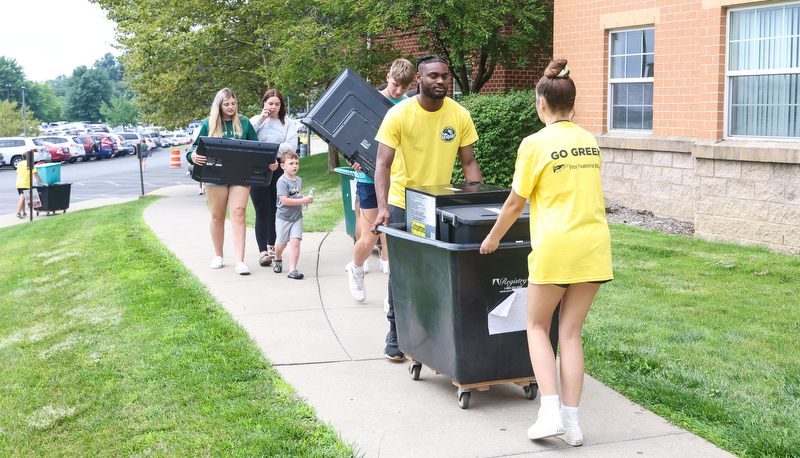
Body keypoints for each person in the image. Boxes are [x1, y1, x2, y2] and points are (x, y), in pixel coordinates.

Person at [478, 59, 613, 446]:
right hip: (594, 246)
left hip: (556, 247)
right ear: (574, 104)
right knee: (570, 334)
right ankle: (572, 425)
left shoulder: (534, 144)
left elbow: (513, 203)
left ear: (540, 103)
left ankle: (549, 413)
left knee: (537, 327)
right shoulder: (589, 139)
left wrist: (492, 239)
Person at [371, 54, 484, 360]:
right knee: (403, 271)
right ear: (418, 79)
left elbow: (469, 162)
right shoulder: (399, 114)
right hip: (402, 202)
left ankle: (433, 329)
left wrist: (478, 205)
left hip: (439, 204)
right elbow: (382, 164)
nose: (441, 81)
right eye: (434, 76)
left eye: (445, 76)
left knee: (437, 270)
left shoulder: (459, 115)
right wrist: (382, 207)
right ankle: (396, 331)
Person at [346, 58, 415, 303]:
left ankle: (392, 295)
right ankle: (355, 268)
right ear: (388, 77)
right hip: (368, 177)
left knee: (394, 239)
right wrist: (353, 158)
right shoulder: (370, 100)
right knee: (370, 236)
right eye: (395, 84)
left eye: (404, 88)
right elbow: (351, 137)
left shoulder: (411, 107)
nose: (398, 91)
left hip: (399, 179)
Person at [187, 87, 259, 275]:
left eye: (233, 103)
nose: (231, 107)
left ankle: (240, 261)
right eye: (226, 104)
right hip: (215, 176)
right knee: (217, 217)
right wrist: (193, 157)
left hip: (240, 176)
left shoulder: (243, 122)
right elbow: (194, 150)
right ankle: (218, 255)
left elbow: (257, 147)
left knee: (238, 215)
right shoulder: (208, 123)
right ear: (219, 105)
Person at [249, 88, 298, 267]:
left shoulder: (288, 123)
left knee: (277, 208)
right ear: (264, 103)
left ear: (281, 105)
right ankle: (263, 252)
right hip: (257, 168)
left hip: (280, 169)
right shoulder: (256, 121)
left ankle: (272, 246)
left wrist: (265, 148)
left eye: (277, 104)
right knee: (262, 209)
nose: (274, 107)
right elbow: (248, 138)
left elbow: (290, 146)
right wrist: (261, 119)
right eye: (270, 103)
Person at [272, 151, 312, 279]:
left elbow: (297, 196)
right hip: (283, 217)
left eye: (296, 163)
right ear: (282, 166)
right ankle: (277, 257)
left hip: (297, 217)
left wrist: (305, 198)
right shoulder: (282, 181)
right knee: (281, 244)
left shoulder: (298, 180)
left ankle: (292, 269)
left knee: (295, 242)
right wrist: (303, 201)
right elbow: (285, 200)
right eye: (291, 163)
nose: (294, 166)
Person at [16, 151, 46, 218]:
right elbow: (35, 174)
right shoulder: (30, 164)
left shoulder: (19, 164)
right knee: (22, 198)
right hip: (26, 183)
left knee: (22, 198)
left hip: (18, 183)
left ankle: (23, 212)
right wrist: (42, 182)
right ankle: (18, 212)